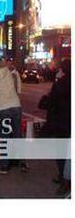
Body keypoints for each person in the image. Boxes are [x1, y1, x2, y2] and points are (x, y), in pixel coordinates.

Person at [0, 54, 28, 174]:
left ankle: (5, 165)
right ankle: (22, 162)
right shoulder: (7, 69)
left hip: (2, 107)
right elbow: (16, 85)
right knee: (18, 135)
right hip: (16, 105)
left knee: (4, 138)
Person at [39, 59, 71, 193]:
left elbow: (51, 102)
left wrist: (56, 83)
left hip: (61, 122)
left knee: (63, 154)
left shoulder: (61, 84)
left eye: (59, 70)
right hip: (67, 121)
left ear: (63, 71)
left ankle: (65, 181)